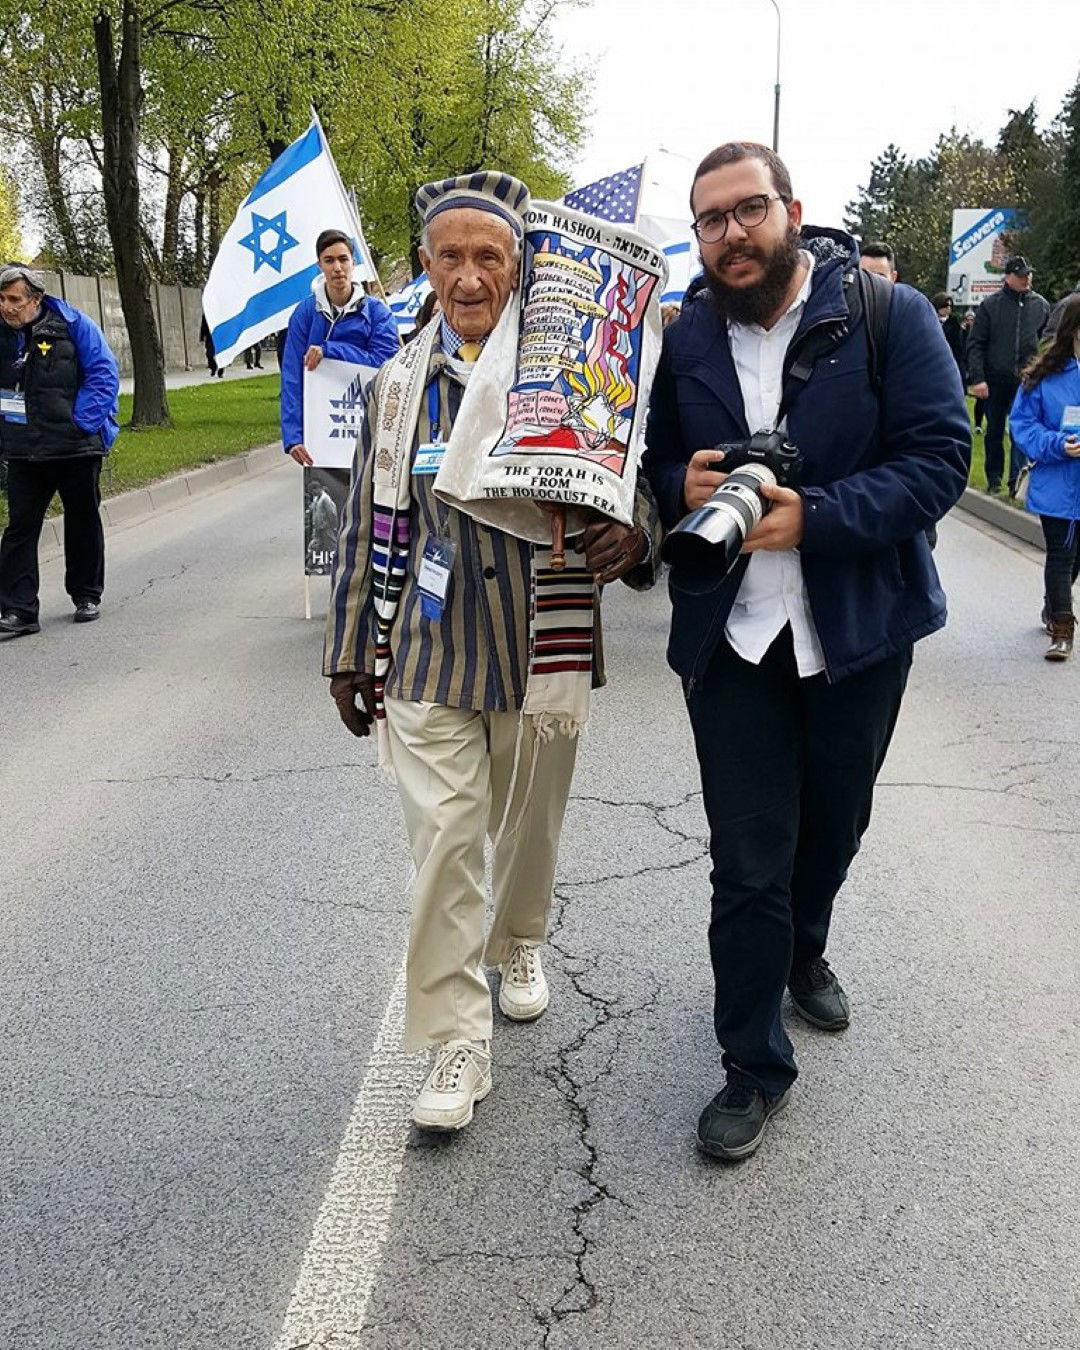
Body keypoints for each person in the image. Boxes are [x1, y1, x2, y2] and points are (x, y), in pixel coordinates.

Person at [643, 141, 969, 1161]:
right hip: (733, 636)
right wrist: (680, 485)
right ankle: (752, 1065)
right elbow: (646, 461)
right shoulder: (684, 337)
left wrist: (814, 517)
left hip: (856, 631)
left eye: (748, 210)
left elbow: (940, 460)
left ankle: (805, 953)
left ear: (790, 209)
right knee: (747, 864)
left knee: (831, 830)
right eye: (710, 221)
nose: (730, 235)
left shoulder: (887, 316)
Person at [324, 172, 660, 1132]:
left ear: (522, 266)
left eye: (489, 257)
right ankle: (454, 1040)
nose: (468, 278)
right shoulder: (395, 387)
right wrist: (350, 649)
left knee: (526, 830)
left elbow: (632, 481)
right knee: (444, 843)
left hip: (538, 640)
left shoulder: (579, 375)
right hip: (427, 649)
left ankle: (519, 939)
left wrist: (635, 528)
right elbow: (365, 523)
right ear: (423, 265)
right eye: (450, 257)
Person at [0, 264, 119, 638]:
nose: (6, 307)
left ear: (35, 299)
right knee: (20, 528)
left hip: (74, 447)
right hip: (23, 448)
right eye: (1, 299)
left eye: (14, 299)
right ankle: (19, 610)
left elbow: (104, 374)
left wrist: (81, 423)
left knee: (82, 521)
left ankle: (86, 595)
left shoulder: (73, 325)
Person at [280, 229, 400, 467]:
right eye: (329, 260)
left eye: (343, 259)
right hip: (321, 434)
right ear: (320, 265)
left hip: (370, 425)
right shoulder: (305, 314)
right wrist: (293, 437)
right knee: (324, 492)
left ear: (353, 262)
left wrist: (330, 351)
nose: (337, 268)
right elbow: (292, 375)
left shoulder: (378, 313)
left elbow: (385, 364)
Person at [1008, 295, 1080, 661]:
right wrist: (1058, 444)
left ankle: (1054, 603)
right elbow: (1022, 425)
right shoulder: (1043, 377)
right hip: (1057, 482)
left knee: (1074, 558)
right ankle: (1062, 628)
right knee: (1061, 555)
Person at [966, 256, 1051, 495]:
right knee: (994, 430)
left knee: (1021, 431)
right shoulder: (991, 305)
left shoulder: (1040, 306)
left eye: (1029, 274)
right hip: (995, 379)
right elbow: (976, 343)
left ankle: (1016, 481)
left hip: (1026, 380)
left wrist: (1042, 372)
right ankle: (994, 478)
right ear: (1008, 277)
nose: (1027, 279)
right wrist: (978, 378)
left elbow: (1047, 342)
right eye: (1022, 275)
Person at [932, 292, 966, 381]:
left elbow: (958, 347)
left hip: (950, 361)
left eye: (950, 306)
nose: (948, 308)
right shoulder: (930, 321)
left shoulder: (954, 323)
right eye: (945, 305)